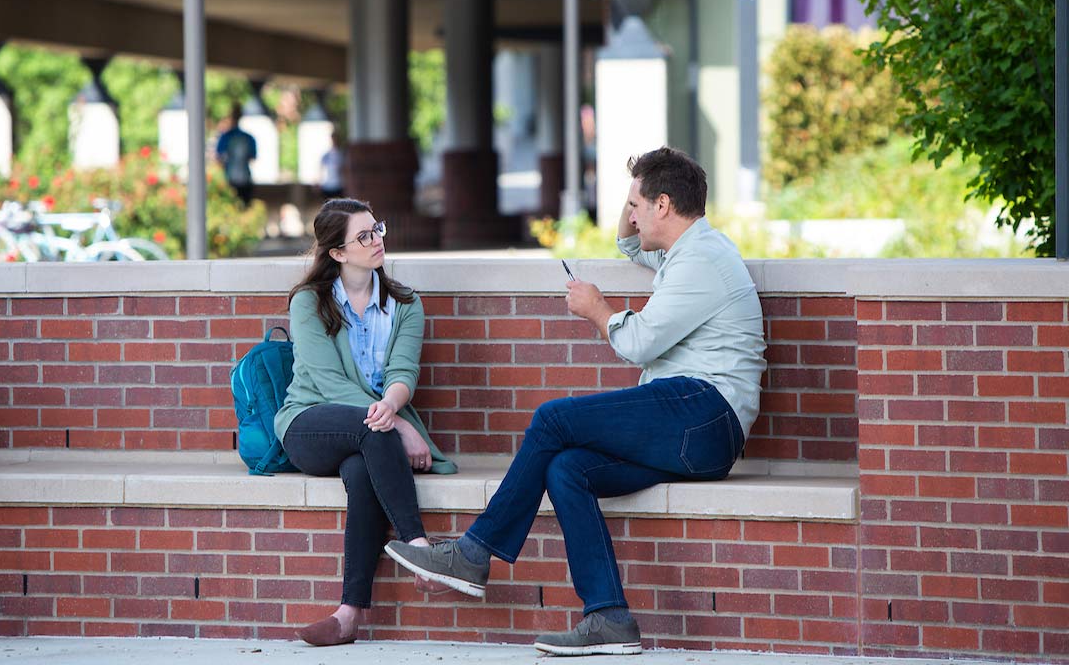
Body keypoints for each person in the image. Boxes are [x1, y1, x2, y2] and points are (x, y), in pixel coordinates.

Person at [384, 147, 767, 656]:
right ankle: (608, 617)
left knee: (552, 419)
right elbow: (628, 244)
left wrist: (596, 309)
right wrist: (635, 187)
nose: (629, 212)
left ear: (664, 205)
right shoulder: (684, 249)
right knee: (567, 469)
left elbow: (637, 343)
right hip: (690, 424)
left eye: (636, 202)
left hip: (705, 413)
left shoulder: (701, 260)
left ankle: (474, 554)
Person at [274, 198, 457, 647]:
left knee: (361, 469)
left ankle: (348, 613)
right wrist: (398, 425)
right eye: (364, 236)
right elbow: (328, 382)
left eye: (377, 229)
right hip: (309, 422)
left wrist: (392, 409)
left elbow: (402, 374)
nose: (376, 241)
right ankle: (419, 548)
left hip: (372, 431)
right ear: (337, 253)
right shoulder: (309, 302)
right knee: (369, 429)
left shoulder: (405, 304)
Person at [215, 106, 257, 206]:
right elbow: (252, 157)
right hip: (242, 179)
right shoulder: (247, 137)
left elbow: (219, 157)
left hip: (232, 178)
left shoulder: (227, 137)